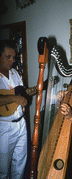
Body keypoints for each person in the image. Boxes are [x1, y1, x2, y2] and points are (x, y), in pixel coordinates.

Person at [0, 40, 28, 179]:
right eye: (8, 56)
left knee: (20, 165)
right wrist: (14, 99)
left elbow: (20, 93)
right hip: (4, 127)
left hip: (21, 124)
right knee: (3, 170)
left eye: (14, 57)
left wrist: (23, 101)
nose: (12, 60)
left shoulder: (15, 73)